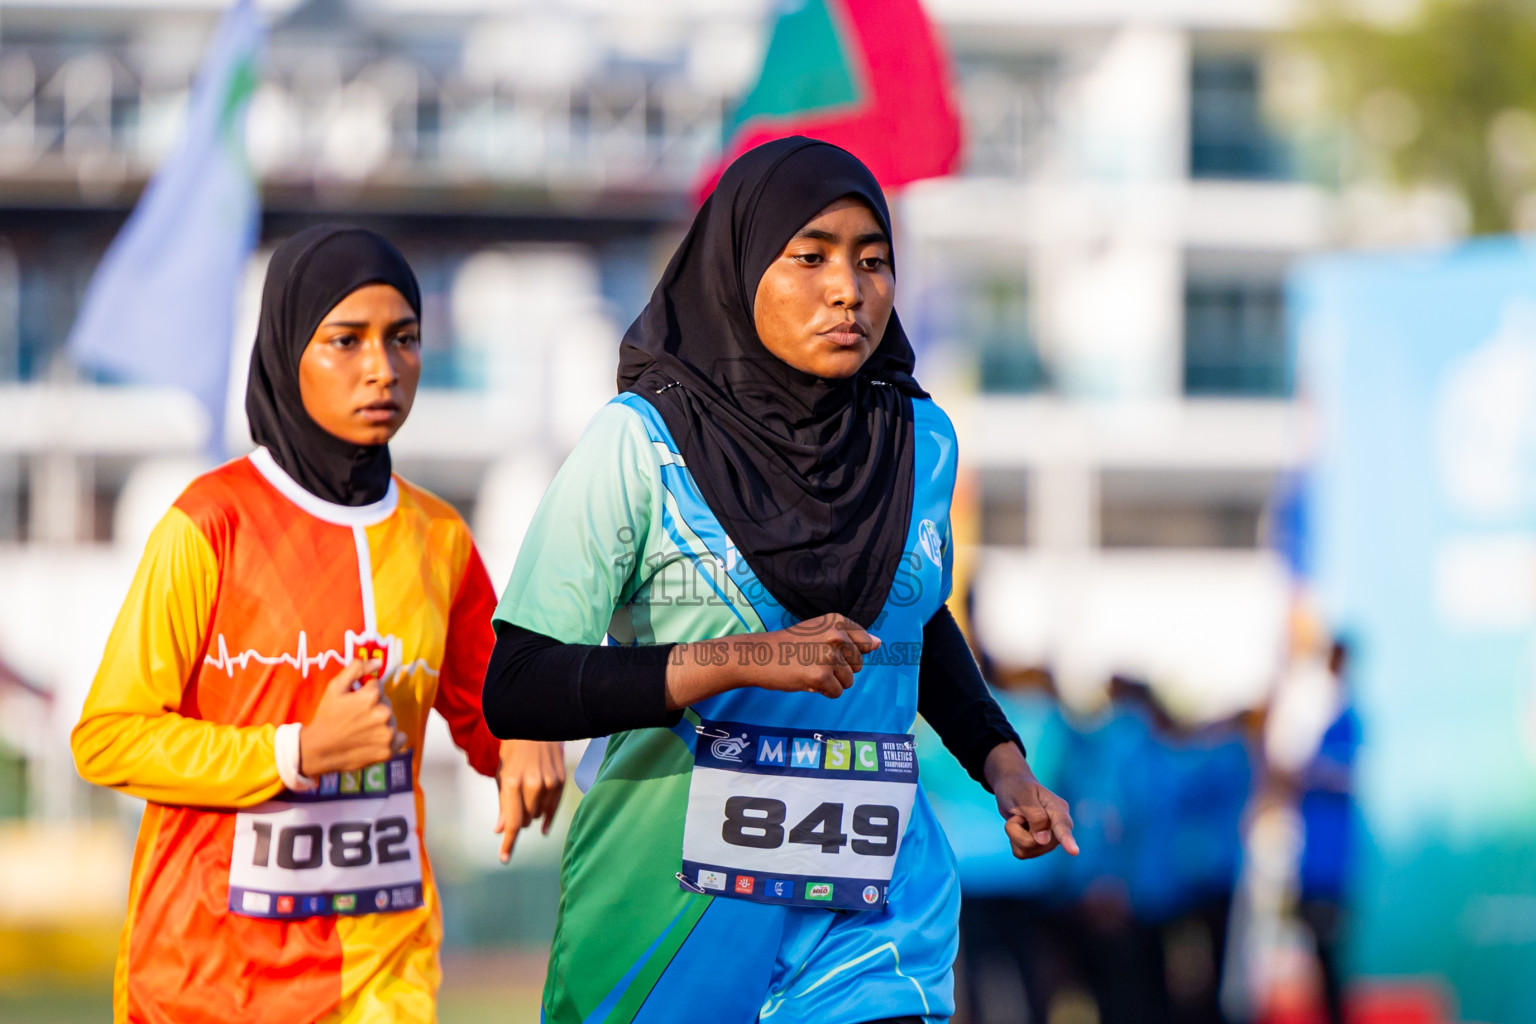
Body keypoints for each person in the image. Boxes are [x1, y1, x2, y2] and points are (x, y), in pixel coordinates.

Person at [481, 137, 1076, 1024]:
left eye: (874, 261)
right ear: (741, 266)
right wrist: (742, 658)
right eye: (812, 257)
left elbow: (914, 614)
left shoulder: (922, 440)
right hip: (670, 915)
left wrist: (1001, 762)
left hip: (874, 920)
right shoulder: (639, 443)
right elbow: (520, 685)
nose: (849, 288)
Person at [71, 225, 565, 1023]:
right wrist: (295, 751)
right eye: (346, 340)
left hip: (383, 975)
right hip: (206, 982)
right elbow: (107, 736)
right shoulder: (208, 524)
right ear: (287, 348)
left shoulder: (437, 539)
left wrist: (525, 739)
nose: (382, 368)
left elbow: (492, 709)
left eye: (403, 339)